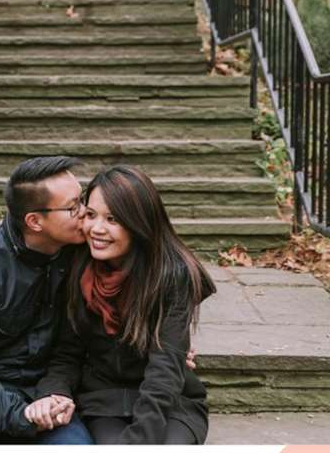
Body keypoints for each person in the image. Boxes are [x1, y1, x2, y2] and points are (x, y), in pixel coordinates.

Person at [0, 157, 199, 444]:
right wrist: (21, 416)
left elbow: (136, 285)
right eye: (74, 208)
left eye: (81, 201)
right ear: (35, 222)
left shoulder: (80, 251)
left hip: (46, 388)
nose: (86, 215)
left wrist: (166, 344)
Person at [28, 165, 216, 444]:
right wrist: (55, 390)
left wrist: (139, 441)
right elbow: (68, 351)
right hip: (106, 402)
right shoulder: (79, 267)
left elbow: (165, 368)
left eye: (113, 218)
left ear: (138, 223)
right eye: (91, 215)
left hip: (169, 404)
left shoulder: (172, 275)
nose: (97, 229)